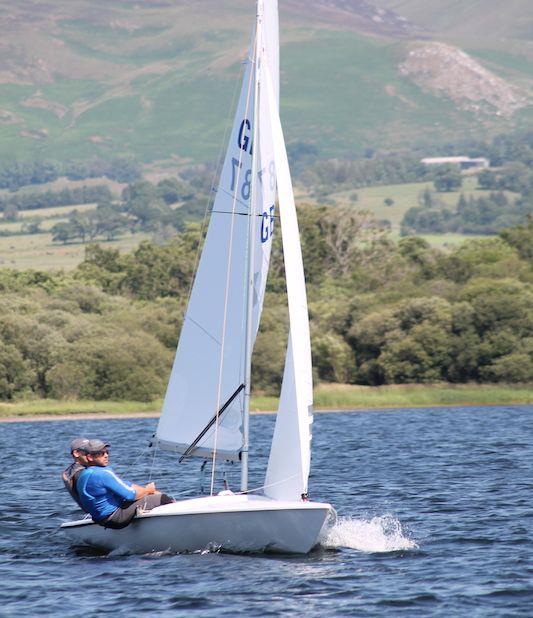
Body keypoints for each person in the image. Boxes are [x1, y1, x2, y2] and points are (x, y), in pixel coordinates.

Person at [76, 439, 174, 529]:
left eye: (107, 452)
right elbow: (130, 495)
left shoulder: (84, 474)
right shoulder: (103, 474)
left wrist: (147, 492)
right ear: (90, 457)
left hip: (101, 519)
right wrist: (149, 490)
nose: (106, 455)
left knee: (150, 495)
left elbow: (127, 485)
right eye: (101, 453)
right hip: (116, 518)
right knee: (162, 498)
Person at [62, 437, 89, 509]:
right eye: (87, 450)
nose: (91, 453)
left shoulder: (69, 471)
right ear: (76, 453)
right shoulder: (80, 473)